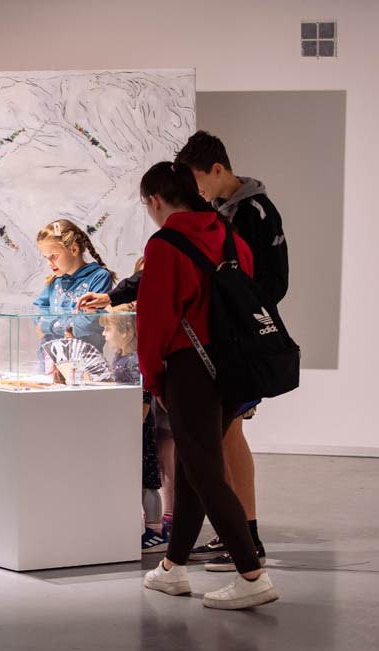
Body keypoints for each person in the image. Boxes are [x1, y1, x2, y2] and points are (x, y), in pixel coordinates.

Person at [135, 161, 278, 610]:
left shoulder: (164, 244)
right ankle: (172, 568)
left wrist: (153, 380)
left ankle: (251, 574)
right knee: (196, 467)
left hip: (191, 368)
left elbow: (154, 321)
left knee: (204, 472)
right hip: (235, 366)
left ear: (155, 200)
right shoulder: (231, 235)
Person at [174, 130, 289, 569]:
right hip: (222, 342)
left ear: (217, 169)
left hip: (241, 344)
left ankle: (247, 539)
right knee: (223, 435)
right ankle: (235, 533)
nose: (196, 191)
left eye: (198, 180)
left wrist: (242, 323)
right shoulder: (219, 213)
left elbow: (272, 283)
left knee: (228, 436)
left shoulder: (256, 213)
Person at [101, 302, 166, 553]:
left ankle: (155, 531)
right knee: (137, 480)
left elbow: (143, 400)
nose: (104, 334)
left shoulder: (135, 363)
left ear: (127, 332)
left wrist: (133, 426)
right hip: (126, 428)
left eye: (108, 329)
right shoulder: (120, 358)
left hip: (138, 433)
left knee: (147, 482)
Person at [33, 219, 116, 354]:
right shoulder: (54, 281)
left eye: (53, 256)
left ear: (74, 249)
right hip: (50, 357)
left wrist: (50, 326)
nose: (49, 263)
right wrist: (68, 327)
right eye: (46, 257)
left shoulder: (99, 277)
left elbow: (90, 322)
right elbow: (37, 312)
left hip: (84, 358)